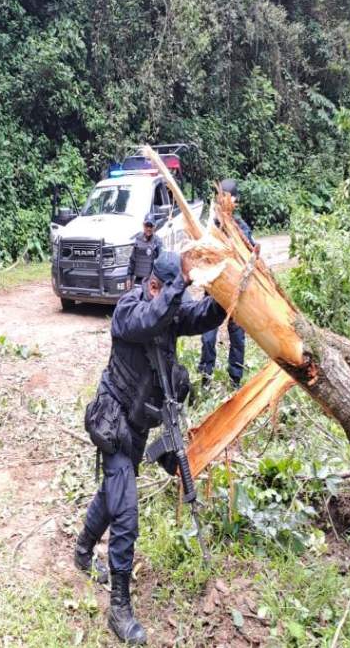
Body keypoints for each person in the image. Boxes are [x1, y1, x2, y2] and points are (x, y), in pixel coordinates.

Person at [74, 251, 226, 645]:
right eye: (168, 290)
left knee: (113, 494)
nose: (174, 301)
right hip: (113, 422)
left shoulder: (169, 310)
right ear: (154, 285)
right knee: (125, 511)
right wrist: (182, 285)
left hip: (140, 425)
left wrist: (230, 290)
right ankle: (119, 608)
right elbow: (149, 320)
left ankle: (82, 550)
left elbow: (203, 316)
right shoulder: (129, 309)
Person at [198, 179, 255, 389]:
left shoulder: (242, 228)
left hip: (235, 293)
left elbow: (252, 256)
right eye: (219, 198)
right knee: (207, 336)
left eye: (226, 198)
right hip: (214, 290)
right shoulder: (212, 226)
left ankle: (235, 380)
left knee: (237, 338)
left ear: (234, 202)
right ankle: (205, 376)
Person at [127, 213, 162, 287]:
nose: (148, 228)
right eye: (147, 225)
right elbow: (132, 260)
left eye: (151, 226)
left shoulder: (158, 242)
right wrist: (128, 277)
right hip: (138, 281)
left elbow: (161, 263)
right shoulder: (138, 239)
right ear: (143, 225)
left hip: (151, 282)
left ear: (154, 227)